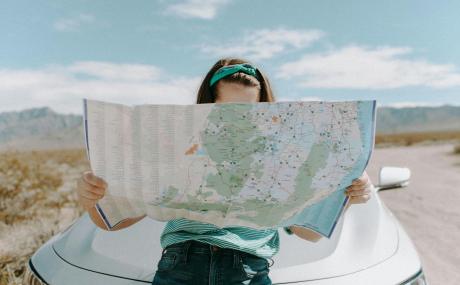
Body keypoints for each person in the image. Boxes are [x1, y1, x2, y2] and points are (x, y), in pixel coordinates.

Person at [76, 57, 373, 285]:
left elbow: (307, 234)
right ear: (206, 106)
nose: (235, 121)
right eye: (224, 110)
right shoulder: (178, 148)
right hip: (181, 265)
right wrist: (92, 199)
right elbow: (114, 223)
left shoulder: (283, 157)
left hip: (249, 270)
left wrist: (347, 197)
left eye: (247, 112)